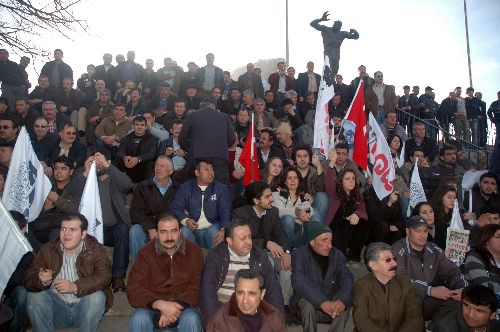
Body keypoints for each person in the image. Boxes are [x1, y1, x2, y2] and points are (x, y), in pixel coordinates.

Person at [24, 213, 112, 332]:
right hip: (56, 310)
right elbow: (29, 278)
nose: (66, 234)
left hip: (83, 309)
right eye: (63, 229)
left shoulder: (95, 250)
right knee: (35, 296)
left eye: (73, 230)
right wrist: (41, 280)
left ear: (83, 234)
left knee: (97, 297)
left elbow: (104, 276)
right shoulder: (48, 250)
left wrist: (76, 286)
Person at [127, 212, 203, 332]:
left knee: (191, 318)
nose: (169, 237)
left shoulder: (194, 252)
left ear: (180, 231)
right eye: (163, 232)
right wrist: (160, 305)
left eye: (173, 231)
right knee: (139, 319)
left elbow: (197, 286)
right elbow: (134, 288)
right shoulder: (146, 253)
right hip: (153, 308)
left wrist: (173, 309)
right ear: (156, 233)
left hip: (184, 308)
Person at [200, 220, 285, 322]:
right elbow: (207, 292)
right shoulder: (216, 256)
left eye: (249, 237)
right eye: (243, 238)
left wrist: (278, 319)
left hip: (253, 316)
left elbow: (273, 289)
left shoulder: (259, 256)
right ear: (229, 241)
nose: (248, 242)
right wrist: (215, 322)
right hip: (224, 316)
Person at [392, 215, 467, 326]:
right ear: (408, 232)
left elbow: (452, 271)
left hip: (428, 299)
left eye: (425, 231)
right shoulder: (397, 249)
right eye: (417, 231)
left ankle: (434, 327)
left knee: (460, 301)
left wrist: (462, 289)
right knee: (413, 298)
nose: (422, 235)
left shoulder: (433, 249)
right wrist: (430, 290)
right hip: (404, 300)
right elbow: (400, 280)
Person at [74, 151, 133, 292]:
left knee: (123, 228)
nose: (98, 165)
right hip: (91, 230)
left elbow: (128, 185)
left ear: (109, 162)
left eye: (100, 162)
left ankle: (118, 277)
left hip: (112, 230)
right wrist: (86, 172)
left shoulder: (115, 180)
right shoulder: (88, 181)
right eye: (95, 162)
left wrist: (106, 165)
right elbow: (72, 190)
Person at [290, 222, 354, 332]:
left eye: (330, 240)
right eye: (324, 240)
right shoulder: (299, 254)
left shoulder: (337, 255)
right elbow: (299, 280)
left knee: (345, 299)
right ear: (312, 242)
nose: (329, 245)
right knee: (306, 302)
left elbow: (347, 278)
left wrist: (342, 301)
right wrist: (322, 302)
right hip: (308, 311)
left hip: (331, 310)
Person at [353, 242, 423, 332]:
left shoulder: (404, 283)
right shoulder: (362, 286)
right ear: (373, 265)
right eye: (387, 260)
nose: (394, 263)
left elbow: (415, 317)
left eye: (394, 259)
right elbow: (362, 322)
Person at [170, 159, 231, 249]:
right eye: (206, 169)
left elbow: (225, 210)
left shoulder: (220, 188)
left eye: (212, 169)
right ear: (197, 173)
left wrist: (224, 229)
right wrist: (186, 220)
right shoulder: (186, 188)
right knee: (184, 233)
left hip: (213, 224)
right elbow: (175, 207)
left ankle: (214, 261)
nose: (211, 172)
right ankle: (190, 261)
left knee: (214, 234)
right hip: (192, 227)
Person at [129, 156, 178, 262]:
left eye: (162, 166)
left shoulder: (178, 189)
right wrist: (150, 228)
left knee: (186, 232)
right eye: (156, 165)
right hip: (148, 225)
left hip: (170, 226)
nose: (158, 168)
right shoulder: (143, 187)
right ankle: (139, 270)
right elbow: (135, 212)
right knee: (135, 230)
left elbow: (180, 210)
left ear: (170, 171)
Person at [179, 97, 237, 184]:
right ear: (214, 107)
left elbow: (181, 139)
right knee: (220, 189)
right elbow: (232, 138)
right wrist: (222, 147)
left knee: (194, 188)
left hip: (196, 159)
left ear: (200, 106)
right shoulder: (224, 117)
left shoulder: (191, 116)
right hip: (219, 160)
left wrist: (191, 149)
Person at [206, 269, 286, 332]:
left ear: (262, 294)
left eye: (251, 293)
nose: (245, 300)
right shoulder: (220, 320)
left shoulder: (274, 318)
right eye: (240, 293)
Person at [324, 149, 368, 261]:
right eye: (347, 179)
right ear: (341, 181)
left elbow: (363, 211)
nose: (351, 181)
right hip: (336, 226)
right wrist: (332, 163)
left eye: (353, 178)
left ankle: (354, 255)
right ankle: (341, 258)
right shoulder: (335, 193)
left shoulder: (357, 195)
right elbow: (329, 181)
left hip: (351, 224)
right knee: (345, 224)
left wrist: (356, 215)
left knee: (364, 223)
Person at [273, 167, 315, 249]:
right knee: (288, 219)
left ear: (299, 181)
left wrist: (306, 213)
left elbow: (309, 209)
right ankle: (287, 252)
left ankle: (309, 251)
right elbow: (279, 211)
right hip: (283, 232)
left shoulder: (303, 197)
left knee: (313, 218)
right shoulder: (277, 195)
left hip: (300, 234)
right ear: (285, 181)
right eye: (289, 178)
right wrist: (297, 212)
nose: (293, 180)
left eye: (295, 178)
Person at [310, 11, 359, 76]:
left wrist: (355, 32)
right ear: (333, 25)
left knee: (335, 71)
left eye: (339, 26)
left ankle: (332, 82)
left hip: (336, 54)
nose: (338, 27)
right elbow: (312, 24)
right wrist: (321, 19)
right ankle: (327, 81)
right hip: (328, 53)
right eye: (336, 25)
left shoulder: (342, 33)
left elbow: (356, 36)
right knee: (328, 69)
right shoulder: (326, 29)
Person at [433, 285, 500, 332]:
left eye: (479, 310)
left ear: (492, 315)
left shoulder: (496, 327)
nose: (470, 315)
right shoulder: (445, 328)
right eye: (466, 305)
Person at [114, 115, 157, 183]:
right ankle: (121, 185)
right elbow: (120, 151)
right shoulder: (126, 138)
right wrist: (124, 157)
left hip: (143, 164)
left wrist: (138, 159)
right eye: (137, 124)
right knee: (116, 161)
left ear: (146, 127)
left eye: (142, 125)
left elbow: (152, 153)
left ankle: (145, 187)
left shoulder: (152, 139)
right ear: (133, 126)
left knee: (151, 164)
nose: (139, 127)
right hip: (128, 163)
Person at [463, 224, 500, 300]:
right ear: (486, 240)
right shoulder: (474, 257)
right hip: (477, 303)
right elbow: (485, 288)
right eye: (497, 237)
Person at [430, 185, 460, 250]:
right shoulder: (433, 214)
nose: (452, 200)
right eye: (449, 197)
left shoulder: (455, 214)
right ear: (441, 197)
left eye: (454, 198)